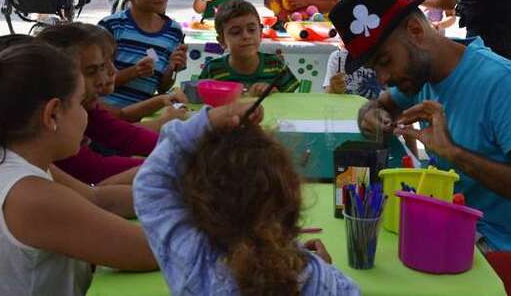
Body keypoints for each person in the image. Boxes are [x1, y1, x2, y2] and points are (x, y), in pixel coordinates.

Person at [328, 0, 511, 252]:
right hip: (448, 223)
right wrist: (370, 115)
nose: (382, 78)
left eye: (385, 61)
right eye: (374, 68)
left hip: (500, 247)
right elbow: (381, 104)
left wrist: (455, 154)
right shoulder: (420, 74)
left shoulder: (500, 84)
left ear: (416, 31)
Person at [0, 43, 157, 295]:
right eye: (80, 103)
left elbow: (98, 199)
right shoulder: (28, 195)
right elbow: (154, 251)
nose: (86, 115)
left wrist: (180, 190)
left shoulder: (1, 161)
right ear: (52, 114)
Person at [134, 99, 360, 295]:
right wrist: (323, 271)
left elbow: (151, 183)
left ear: (198, 206)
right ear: (291, 199)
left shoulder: (194, 267)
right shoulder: (323, 281)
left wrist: (211, 118)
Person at [36, 23, 160, 185]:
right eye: (93, 70)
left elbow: (126, 135)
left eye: (108, 62)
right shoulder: (53, 123)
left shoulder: (87, 106)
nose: (110, 73)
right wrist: (174, 164)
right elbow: (92, 169)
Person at [99, 0, 188, 106]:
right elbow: (96, 83)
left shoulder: (173, 32)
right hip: (107, 116)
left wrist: (171, 68)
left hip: (143, 116)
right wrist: (134, 72)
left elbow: (161, 87)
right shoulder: (112, 28)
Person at [199, 0, 300, 95]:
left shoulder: (275, 65)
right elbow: (198, 100)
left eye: (251, 30)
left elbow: (292, 101)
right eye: (236, 32)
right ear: (222, 41)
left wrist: (275, 93)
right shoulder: (212, 70)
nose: (246, 36)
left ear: (260, 34)